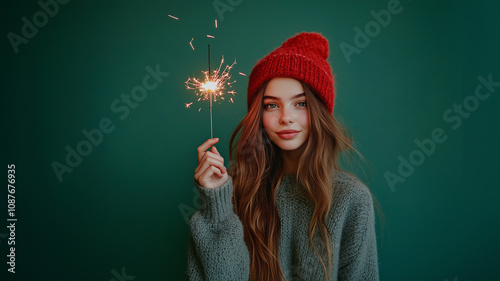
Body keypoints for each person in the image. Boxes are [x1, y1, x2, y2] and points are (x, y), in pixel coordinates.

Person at [187, 32, 379, 281]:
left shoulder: (350, 198)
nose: (286, 117)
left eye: (301, 104)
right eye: (271, 105)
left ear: (320, 111)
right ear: (259, 114)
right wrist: (216, 205)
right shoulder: (234, 189)